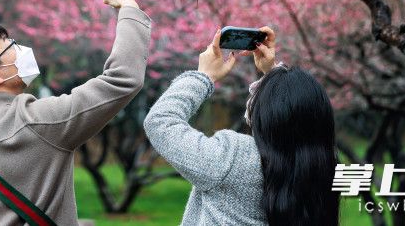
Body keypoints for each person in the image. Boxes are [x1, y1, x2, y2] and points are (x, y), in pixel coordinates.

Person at [0, 0, 151, 225]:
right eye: (11, 46)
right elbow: (122, 80)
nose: (21, 49)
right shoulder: (36, 122)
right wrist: (128, 8)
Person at [144, 27, 339, 226]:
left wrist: (203, 76)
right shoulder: (322, 167)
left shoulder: (233, 158)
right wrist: (273, 74)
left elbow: (160, 121)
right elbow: (293, 116)